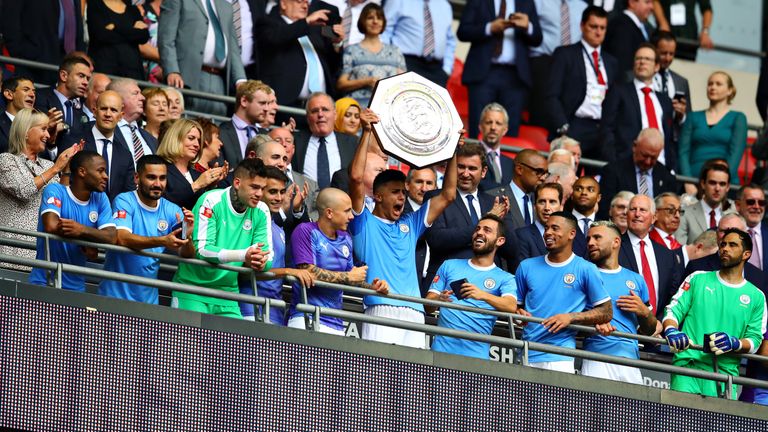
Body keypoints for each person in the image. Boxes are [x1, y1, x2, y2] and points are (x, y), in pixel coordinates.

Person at [348, 108, 463, 348]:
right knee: (378, 379)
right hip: (380, 306)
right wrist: (366, 131)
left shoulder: (410, 223)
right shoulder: (363, 222)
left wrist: (454, 151)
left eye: (403, 192)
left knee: (413, 383)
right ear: (378, 196)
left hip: (415, 310)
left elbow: (449, 194)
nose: (402, 197)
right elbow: (357, 178)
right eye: (395, 192)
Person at [663, 229, 766, 399]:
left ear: (746, 254)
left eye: (732, 245)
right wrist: (671, 330)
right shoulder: (697, 278)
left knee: (716, 427)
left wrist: (735, 343)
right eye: (723, 244)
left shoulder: (757, 296)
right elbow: (674, 309)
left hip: (725, 375)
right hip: (688, 366)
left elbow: (755, 339)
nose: (725, 248)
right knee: (679, 425)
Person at [172, 158, 273, 318]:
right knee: (187, 344)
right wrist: (244, 255)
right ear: (238, 183)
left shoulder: (262, 210)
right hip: (191, 289)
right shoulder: (211, 200)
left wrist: (259, 261)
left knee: (237, 344)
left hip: (228, 295)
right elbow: (203, 250)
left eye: (262, 188)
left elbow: (268, 258)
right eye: (254, 187)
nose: (259, 194)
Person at [515, 211, 612, 373]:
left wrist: (570, 317)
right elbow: (514, 306)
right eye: (546, 228)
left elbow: (606, 312)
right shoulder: (526, 266)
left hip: (560, 357)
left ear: (571, 234)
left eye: (555, 228)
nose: (548, 233)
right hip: (526, 351)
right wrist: (518, 314)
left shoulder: (586, 269)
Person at [289, 187, 389, 333]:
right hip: (306, 318)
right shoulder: (305, 231)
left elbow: (350, 278)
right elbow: (307, 272)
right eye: (347, 211)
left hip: (336, 322)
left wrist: (372, 287)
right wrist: (349, 276)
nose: (351, 216)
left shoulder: (346, 238)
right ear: (329, 213)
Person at [99, 155, 195, 304]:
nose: (157, 184)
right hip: (113, 297)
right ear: (137, 178)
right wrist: (163, 241)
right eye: (151, 177)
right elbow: (122, 238)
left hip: (149, 301)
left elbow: (187, 254)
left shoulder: (172, 210)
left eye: (162, 178)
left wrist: (186, 238)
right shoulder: (124, 200)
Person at [427, 214, 518, 359]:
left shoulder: (506, 278)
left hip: (476, 360)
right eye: (477, 229)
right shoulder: (449, 265)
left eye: (487, 230)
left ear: (500, 241)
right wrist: (439, 298)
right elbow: (427, 305)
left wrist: (482, 295)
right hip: (439, 354)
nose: (479, 233)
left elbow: (511, 306)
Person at [0, 109, 80, 267]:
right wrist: (56, 169)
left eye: (48, 130)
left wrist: (66, 169)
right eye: (43, 129)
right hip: (11, 253)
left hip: (43, 253)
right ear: (26, 132)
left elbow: (61, 202)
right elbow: (23, 191)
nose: (48, 136)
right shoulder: (6, 161)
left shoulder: (48, 165)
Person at [29, 151, 117, 291]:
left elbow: (112, 236)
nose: (105, 176)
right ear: (82, 171)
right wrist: (89, 237)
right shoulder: (56, 190)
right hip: (43, 282)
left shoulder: (101, 198)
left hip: (76, 288)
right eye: (100, 171)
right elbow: (51, 225)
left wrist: (81, 230)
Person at [582, 220, 657, 384]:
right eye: (588, 239)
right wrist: (593, 322)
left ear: (616, 242)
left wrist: (644, 311)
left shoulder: (636, 280)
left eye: (597, 237)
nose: (591, 243)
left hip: (630, 361)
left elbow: (649, 330)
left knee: (631, 410)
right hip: (596, 358)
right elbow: (569, 316)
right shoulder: (583, 273)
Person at [424, 142, 509, 286]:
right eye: (461, 167)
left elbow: (510, 249)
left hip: (487, 286)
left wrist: (502, 223)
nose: (465, 173)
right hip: (446, 285)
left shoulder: (495, 202)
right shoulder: (436, 198)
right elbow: (436, 239)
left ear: (483, 172)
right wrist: (487, 220)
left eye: (472, 168)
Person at [239, 166, 314, 323]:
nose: (279, 198)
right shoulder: (249, 223)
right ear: (259, 192)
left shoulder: (277, 225)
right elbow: (246, 271)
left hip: (275, 312)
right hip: (250, 309)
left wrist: (295, 208)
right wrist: (289, 271)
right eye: (272, 192)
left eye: (282, 192)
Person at [457, 0, 542, 138]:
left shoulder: (526, 2)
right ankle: (475, 160)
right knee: (479, 128)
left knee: (510, 131)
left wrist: (528, 26)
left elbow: (538, 38)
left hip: (515, 76)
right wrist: (489, 28)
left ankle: (506, 160)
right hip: (483, 73)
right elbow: (463, 32)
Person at [546, 6, 618, 159]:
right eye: (593, 26)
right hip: (574, 125)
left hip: (602, 129)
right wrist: (563, 127)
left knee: (600, 179)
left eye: (602, 28)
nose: (598, 32)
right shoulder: (565, 54)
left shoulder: (612, 62)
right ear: (582, 26)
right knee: (565, 177)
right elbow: (551, 95)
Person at [158, 0, 246, 115]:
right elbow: (166, 38)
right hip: (186, 78)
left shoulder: (226, 6)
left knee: (215, 127)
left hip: (219, 81)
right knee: (187, 126)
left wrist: (241, 80)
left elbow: (233, 49)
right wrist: (172, 70)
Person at [257, 0, 345, 112]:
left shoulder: (317, 28)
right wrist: (306, 21)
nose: (305, 6)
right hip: (285, 104)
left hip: (320, 108)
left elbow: (333, 65)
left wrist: (337, 42)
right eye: (299, 1)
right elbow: (277, 37)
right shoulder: (267, 23)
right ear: (283, 4)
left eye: (307, 3)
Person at [599, 43, 675, 168]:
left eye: (647, 59)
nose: (642, 62)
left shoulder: (665, 101)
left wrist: (671, 168)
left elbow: (670, 139)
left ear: (656, 66)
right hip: (627, 163)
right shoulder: (619, 91)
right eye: (638, 58)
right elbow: (606, 128)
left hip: (660, 166)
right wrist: (614, 161)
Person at [60, 91, 137, 202]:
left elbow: (129, 195)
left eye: (113, 110)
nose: (108, 114)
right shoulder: (73, 139)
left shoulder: (125, 154)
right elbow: (63, 179)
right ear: (94, 111)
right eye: (103, 108)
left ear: (121, 116)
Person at [618, 194, 684, 319]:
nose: (637, 214)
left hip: (657, 332)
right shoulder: (615, 247)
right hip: (624, 328)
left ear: (654, 218)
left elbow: (672, 297)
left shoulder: (667, 255)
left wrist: (658, 324)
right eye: (633, 209)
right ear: (627, 215)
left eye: (643, 210)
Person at [526, 0, 586, 129]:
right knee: (541, 110)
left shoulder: (583, 6)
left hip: (572, 64)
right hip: (544, 62)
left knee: (568, 108)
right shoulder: (539, 2)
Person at [678, 71, 747, 182]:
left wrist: (721, 182)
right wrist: (687, 180)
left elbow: (735, 154)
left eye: (718, 84)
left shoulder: (738, 118)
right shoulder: (693, 117)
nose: (713, 87)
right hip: (693, 181)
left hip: (723, 183)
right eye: (710, 84)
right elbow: (683, 152)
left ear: (730, 90)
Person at [597, 128, 678, 220]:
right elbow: (604, 209)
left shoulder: (667, 177)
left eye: (653, 158)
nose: (648, 162)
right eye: (645, 155)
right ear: (634, 146)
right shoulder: (613, 171)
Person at [336, 3, 406, 108]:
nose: (375, 21)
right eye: (370, 18)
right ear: (362, 21)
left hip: (386, 111)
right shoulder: (352, 50)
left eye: (379, 18)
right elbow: (341, 84)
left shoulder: (395, 52)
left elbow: (404, 84)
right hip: (357, 112)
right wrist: (365, 81)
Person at [0, 0, 86, 85]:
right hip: (33, 65)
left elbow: (77, 25)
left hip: (68, 64)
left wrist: (80, 56)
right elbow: (10, 22)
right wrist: (24, 52)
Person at [381, 0, 456, 87]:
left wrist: (446, 70)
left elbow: (450, 40)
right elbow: (384, 32)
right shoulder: (398, 1)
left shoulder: (444, 5)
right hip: (405, 64)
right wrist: (391, 64)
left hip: (436, 70)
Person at [156, 119, 228, 210]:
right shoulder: (160, 168)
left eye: (198, 140)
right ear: (176, 138)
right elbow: (160, 202)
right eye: (191, 138)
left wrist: (212, 185)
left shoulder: (196, 174)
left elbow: (203, 208)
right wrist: (197, 185)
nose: (197, 144)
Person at [292, 93, 359, 190]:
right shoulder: (295, 141)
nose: (320, 114)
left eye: (325, 109)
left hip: (342, 202)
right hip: (304, 201)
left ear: (335, 115)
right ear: (307, 117)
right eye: (314, 111)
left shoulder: (352, 143)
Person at [34, 57, 92, 157]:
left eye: (87, 78)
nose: (86, 82)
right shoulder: (40, 98)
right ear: (64, 75)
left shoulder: (82, 115)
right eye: (81, 76)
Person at [87, 0, 150, 80]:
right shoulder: (95, 4)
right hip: (105, 70)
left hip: (132, 71)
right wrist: (133, 30)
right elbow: (101, 35)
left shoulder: (132, 9)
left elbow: (143, 36)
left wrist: (115, 28)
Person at [489, 149, 548, 231]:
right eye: (539, 172)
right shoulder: (494, 198)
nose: (543, 178)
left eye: (545, 173)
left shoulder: (542, 201)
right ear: (519, 169)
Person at [220, 80, 275, 168]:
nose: (267, 109)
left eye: (268, 104)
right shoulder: (220, 133)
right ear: (244, 101)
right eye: (262, 103)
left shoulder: (267, 135)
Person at [677, 162, 735, 245]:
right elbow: (680, 252)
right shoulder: (685, 214)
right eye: (712, 183)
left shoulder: (733, 218)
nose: (717, 188)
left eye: (722, 184)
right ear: (703, 184)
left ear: (728, 187)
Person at [651, 31, 690, 143]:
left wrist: (681, 116)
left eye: (671, 54)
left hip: (672, 143)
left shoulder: (682, 82)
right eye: (663, 53)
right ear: (653, 50)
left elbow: (688, 120)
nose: (668, 58)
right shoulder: (640, 77)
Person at [404, 167, 438, 293]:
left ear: (436, 187)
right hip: (407, 282)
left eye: (429, 183)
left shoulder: (442, 213)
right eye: (419, 182)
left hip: (433, 284)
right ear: (407, 185)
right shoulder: (397, 211)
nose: (424, 188)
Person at [110, 78, 158, 164]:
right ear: (118, 99)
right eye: (135, 93)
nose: (143, 98)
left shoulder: (151, 139)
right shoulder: (104, 131)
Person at [604, 0, 655, 80]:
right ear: (632, 2)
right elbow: (622, 68)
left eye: (652, 3)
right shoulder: (622, 27)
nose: (652, 7)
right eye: (647, 2)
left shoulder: (642, 27)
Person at [515, 182, 563, 265]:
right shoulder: (522, 235)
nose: (547, 208)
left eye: (552, 202)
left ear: (561, 206)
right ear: (534, 206)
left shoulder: (568, 235)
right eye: (542, 202)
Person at [477, 103, 515, 192]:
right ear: (480, 127)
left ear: (505, 130)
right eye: (488, 122)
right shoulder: (470, 157)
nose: (493, 127)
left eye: (498, 123)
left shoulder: (512, 164)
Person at [735, 184, 768, 271]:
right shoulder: (724, 231)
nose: (757, 207)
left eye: (761, 203)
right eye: (751, 202)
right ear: (738, 205)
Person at [0, 77, 37, 153]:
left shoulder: (37, 126)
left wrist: (51, 144)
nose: (32, 95)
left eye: (34, 92)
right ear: (9, 94)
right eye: (26, 90)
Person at [138, 0, 163, 83]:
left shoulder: (178, 14)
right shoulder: (140, 10)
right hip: (145, 76)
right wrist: (169, 61)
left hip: (171, 76)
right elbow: (141, 46)